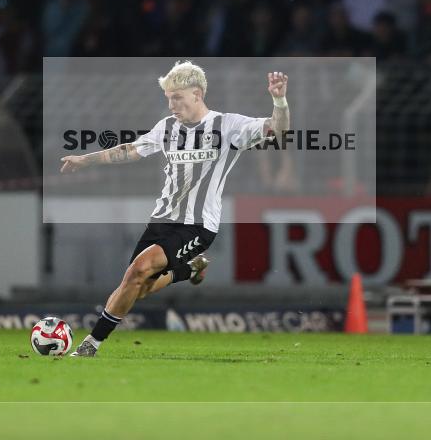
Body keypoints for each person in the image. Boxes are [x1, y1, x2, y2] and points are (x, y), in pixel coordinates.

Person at [60, 61, 289, 357]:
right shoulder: (166, 127)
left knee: (138, 271)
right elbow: (131, 150)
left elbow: (279, 130)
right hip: (161, 220)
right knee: (138, 287)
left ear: (197, 93)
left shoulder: (229, 126)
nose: (171, 105)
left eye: (177, 97)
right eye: (168, 98)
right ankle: (189, 269)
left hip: (198, 225)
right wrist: (86, 159)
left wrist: (279, 100)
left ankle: (90, 345)